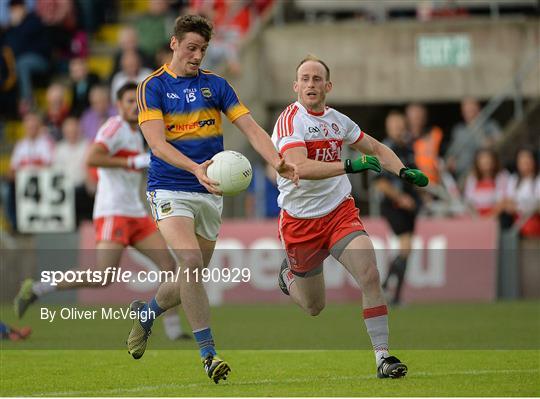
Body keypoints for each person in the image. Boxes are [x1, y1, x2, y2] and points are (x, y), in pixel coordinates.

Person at [126, 15, 297, 384]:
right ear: (174, 44)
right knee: (188, 260)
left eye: (202, 49)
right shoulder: (151, 87)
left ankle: (147, 313)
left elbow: (251, 128)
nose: (197, 55)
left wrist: (277, 161)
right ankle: (209, 355)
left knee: (192, 274)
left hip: (209, 191)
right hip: (169, 187)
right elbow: (156, 144)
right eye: (191, 48)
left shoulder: (216, 85)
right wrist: (195, 169)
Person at [273, 55, 428, 379]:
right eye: (305, 78)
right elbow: (299, 167)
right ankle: (288, 278)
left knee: (370, 275)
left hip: (339, 212)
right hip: (300, 222)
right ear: (295, 86)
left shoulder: (338, 121)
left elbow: (375, 148)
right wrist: (348, 165)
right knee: (314, 307)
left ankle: (383, 358)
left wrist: (402, 170)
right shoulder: (290, 121)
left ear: (328, 86)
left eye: (317, 79)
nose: (311, 84)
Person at [13, 82, 189, 341]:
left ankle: (173, 331)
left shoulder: (137, 132)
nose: (133, 106)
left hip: (135, 212)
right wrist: (131, 161)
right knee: (103, 275)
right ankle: (37, 288)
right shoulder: (114, 127)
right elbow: (92, 158)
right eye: (128, 101)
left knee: (169, 266)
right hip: (113, 211)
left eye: (136, 102)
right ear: (119, 105)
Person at [375, 111, 421, 306]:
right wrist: (401, 198)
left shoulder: (408, 148)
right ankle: (387, 289)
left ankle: (393, 293)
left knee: (407, 249)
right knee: (406, 245)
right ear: (388, 127)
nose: (397, 128)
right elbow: (380, 183)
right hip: (393, 205)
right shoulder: (384, 149)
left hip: (410, 205)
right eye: (393, 125)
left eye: (400, 124)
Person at [446, 97, 502, 183]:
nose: (469, 113)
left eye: (472, 109)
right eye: (466, 111)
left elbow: (498, 140)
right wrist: (451, 161)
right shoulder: (459, 130)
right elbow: (452, 152)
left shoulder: (490, 126)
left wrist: (477, 127)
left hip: (482, 173)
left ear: (478, 109)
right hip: (461, 175)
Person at [463, 149, 509, 218]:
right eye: (482, 159)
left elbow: (502, 201)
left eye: (488, 158)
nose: (486, 161)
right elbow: (469, 201)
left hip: (497, 218)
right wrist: (477, 218)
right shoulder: (472, 178)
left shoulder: (502, 176)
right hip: (476, 218)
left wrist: (489, 217)